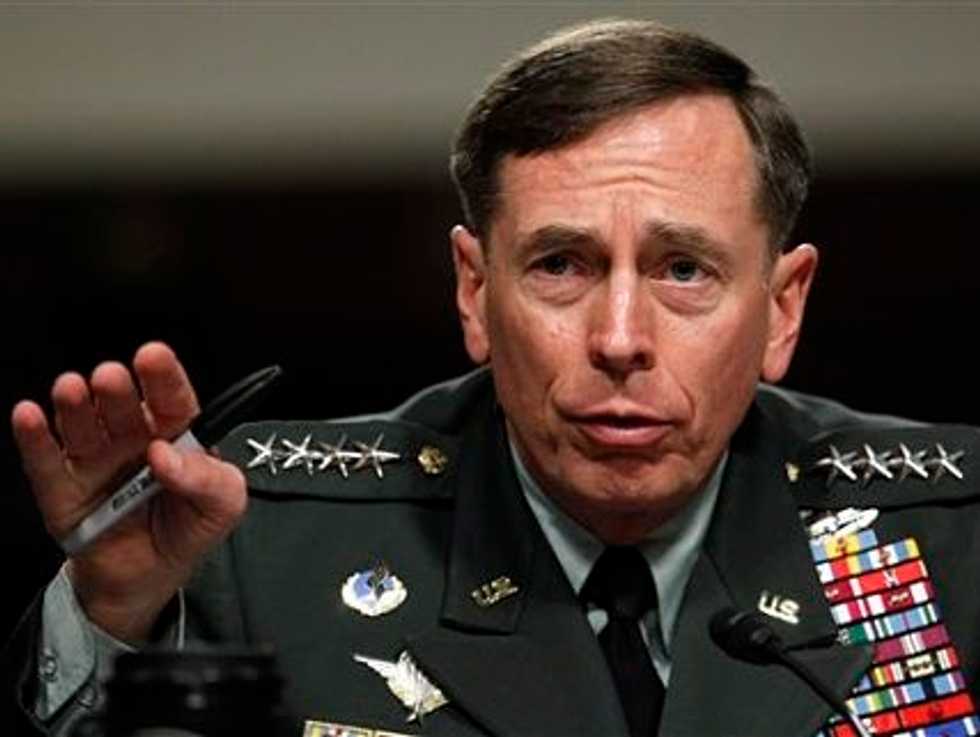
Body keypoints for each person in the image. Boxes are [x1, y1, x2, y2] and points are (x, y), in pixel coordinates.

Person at [5, 17, 980, 737]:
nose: (619, 338)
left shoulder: (954, 538)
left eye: (684, 269)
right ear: (474, 291)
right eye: (560, 264)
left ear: (782, 307)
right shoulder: (260, 542)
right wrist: (110, 611)